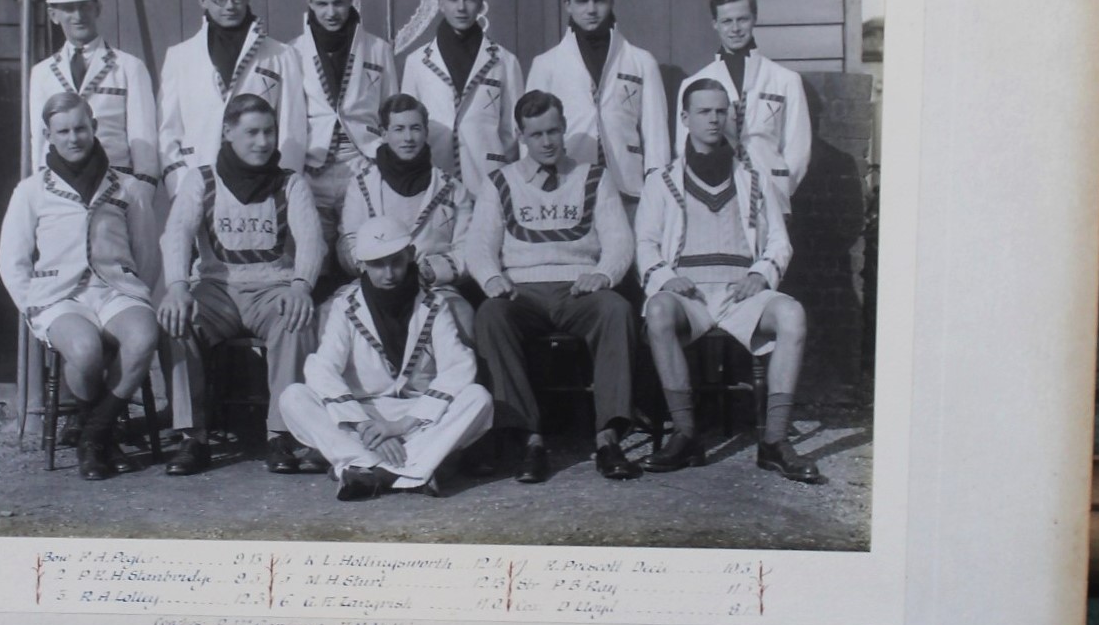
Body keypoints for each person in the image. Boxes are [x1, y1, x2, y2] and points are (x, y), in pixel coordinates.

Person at [637, 79, 823, 482]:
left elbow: (778, 239)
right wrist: (667, 278)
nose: (714, 119)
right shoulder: (662, 180)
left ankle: (773, 442)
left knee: (792, 314)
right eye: (704, 111)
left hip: (741, 293)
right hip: (692, 294)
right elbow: (646, 244)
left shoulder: (754, 176)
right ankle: (686, 435)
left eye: (721, 111)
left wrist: (760, 273)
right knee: (657, 311)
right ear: (685, 118)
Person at [467, 90, 639, 484]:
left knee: (616, 309)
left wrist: (604, 274)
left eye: (554, 132)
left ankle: (608, 437)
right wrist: (492, 278)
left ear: (564, 131)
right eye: (536, 134)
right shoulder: (500, 182)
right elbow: (478, 244)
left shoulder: (593, 176)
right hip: (520, 291)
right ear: (521, 136)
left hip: (578, 288)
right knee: (490, 316)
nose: (547, 142)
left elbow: (619, 240)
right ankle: (530, 439)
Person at [158, 94, 325, 477]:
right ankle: (192, 436)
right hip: (218, 289)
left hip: (272, 288)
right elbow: (177, 233)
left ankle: (281, 434)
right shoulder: (200, 179)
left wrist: (301, 285)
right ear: (228, 132)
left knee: (295, 320)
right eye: (251, 132)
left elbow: (312, 239)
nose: (263, 142)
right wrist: (178, 285)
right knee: (176, 321)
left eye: (269, 132)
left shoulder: (289, 182)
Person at [0, 92, 162, 480]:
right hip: (59, 297)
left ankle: (95, 435)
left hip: (115, 289)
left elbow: (147, 254)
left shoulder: (127, 188)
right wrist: (33, 307)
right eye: (63, 131)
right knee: (86, 350)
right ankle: (102, 437)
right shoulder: (32, 191)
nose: (74, 138)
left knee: (143, 336)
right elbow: (12, 261)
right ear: (49, 136)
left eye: (80, 128)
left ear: (94, 128)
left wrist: (136, 291)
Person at [281, 217, 493, 501]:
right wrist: (364, 426)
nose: (389, 273)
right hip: (364, 415)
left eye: (396, 261)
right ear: (363, 265)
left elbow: (458, 366)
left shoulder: (434, 304)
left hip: (417, 417)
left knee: (478, 398)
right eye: (378, 265)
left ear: (409, 256)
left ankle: (363, 468)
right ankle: (412, 470)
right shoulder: (346, 305)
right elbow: (322, 369)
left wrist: (401, 426)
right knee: (293, 397)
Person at [525, 0, 670, 220]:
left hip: (628, 188)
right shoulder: (546, 64)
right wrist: (535, 188)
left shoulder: (640, 61)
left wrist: (656, 189)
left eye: (599, 0)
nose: (591, 10)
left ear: (612, 1)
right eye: (582, 2)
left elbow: (656, 134)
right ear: (567, 4)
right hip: (567, 185)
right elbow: (530, 134)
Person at [156, 0, 307, 196]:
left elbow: (292, 129)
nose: (230, 6)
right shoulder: (179, 57)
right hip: (199, 183)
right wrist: (181, 186)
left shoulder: (280, 55)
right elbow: (168, 131)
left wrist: (284, 191)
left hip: (262, 185)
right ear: (202, 0)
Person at [291, 0, 398, 258]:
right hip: (314, 169)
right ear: (309, 3)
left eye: (339, 2)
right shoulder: (293, 52)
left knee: (363, 252)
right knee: (314, 255)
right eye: (322, 4)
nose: (331, 12)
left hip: (363, 165)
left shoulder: (378, 49)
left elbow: (391, 108)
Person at [337, 93, 473, 327]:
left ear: (426, 132)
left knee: (463, 319)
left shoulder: (452, 189)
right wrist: (376, 270)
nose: (408, 138)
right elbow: (349, 240)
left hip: (433, 288)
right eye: (399, 129)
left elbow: (468, 249)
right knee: (329, 315)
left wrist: (432, 270)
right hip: (375, 286)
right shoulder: (362, 186)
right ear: (383, 133)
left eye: (415, 128)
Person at [676, 0, 811, 207]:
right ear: (715, 25)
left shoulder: (785, 80)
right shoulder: (693, 84)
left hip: (771, 194)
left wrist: (779, 188)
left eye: (742, 19)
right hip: (714, 194)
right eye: (727, 21)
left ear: (754, 19)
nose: (735, 28)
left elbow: (798, 150)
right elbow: (684, 146)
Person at [399, 0, 522, 200]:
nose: (461, 7)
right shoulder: (416, 62)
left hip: (488, 180)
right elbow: (410, 126)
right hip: (434, 179)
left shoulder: (505, 61)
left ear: (480, 3)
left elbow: (513, 132)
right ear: (440, 3)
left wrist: (508, 179)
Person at [27, 0, 159, 185]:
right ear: (53, 15)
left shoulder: (129, 67)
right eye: (69, 9)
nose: (78, 16)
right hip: (60, 185)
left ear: (97, 9)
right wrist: (39, 186)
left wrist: (143, 187)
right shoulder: (42, 73)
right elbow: (38, 139)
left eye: (85, 7)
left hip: (116, 183)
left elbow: (143, 137)